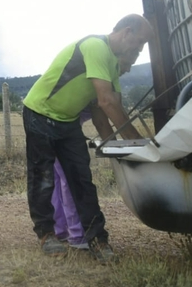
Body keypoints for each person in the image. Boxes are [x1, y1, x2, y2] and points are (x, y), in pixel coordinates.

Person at [22, 14, 153, 262]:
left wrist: (119, 146)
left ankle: (98, 240)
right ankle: (46, 234)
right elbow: (107, 101)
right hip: (39, 114)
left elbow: (102, 112)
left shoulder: (113, 63)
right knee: (42, 177)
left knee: (82, 180)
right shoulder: (96, 47)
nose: (140, 48)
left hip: (67, 121)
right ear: (127, 32)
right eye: (141, 42)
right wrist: (138, 144)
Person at [51, 48, 140, 250]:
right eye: (128, 63)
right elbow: (102, 122)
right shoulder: (101, 76)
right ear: (117, 58)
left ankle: (60, 230)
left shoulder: (102, 74)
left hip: (55, 119)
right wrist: (133, 147)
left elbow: (107, 121)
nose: (127, 70)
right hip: (61, 123)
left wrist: (118, 147)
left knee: (57, 176)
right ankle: (77, 235)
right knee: (68, 176)